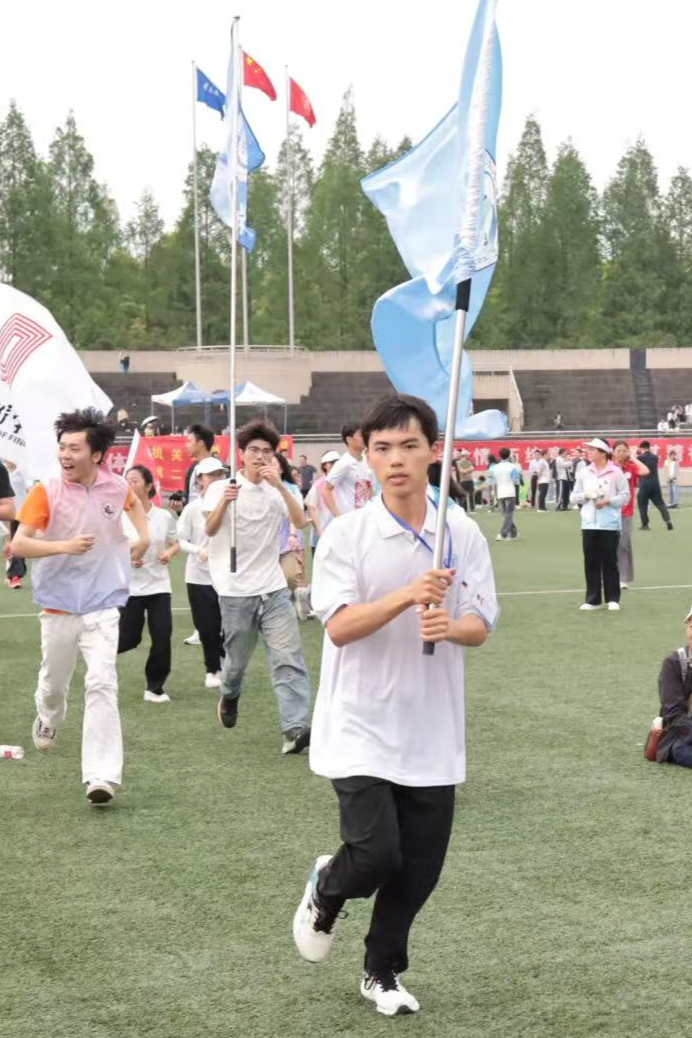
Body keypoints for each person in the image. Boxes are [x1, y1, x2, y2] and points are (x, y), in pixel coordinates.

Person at [292, 394, 498, 1017]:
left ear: (435, 451)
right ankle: (329, 886)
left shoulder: (460, 532)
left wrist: (450, 628)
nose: (396, 459)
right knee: (377, 854)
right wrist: (409, 596)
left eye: (410, 446)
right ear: (368, 455)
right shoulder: (347, 535)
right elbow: (340, 626)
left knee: (420, 868)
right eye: (382, 448)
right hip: (359, 720)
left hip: (431, 723)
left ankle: (381, 970)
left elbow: (481, 622)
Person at [11, 408, 149, 806]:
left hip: (103, 604)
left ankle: (101, 776)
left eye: (74, 448)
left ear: (97, 454)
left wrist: (142, 538)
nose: (65, 455)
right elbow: (19, 544)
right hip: (58, 606)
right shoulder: (47, 490)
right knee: (54, 686)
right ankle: (49, 717)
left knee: (102, 683)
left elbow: (134, 506)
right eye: (62, 447)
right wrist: (64, 547)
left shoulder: (116, 486)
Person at [203, 419, 312, 754]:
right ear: (241, 454)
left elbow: (300, 521)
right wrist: (225, 502)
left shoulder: (277, 489)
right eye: (254, 450)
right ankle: (230, 693)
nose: (260, 457)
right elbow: (209, 529)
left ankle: (294, 728)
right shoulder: (221, 488)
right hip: (235, 591)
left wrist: (281, 487)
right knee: (236, 663)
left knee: (288, 657)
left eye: (267, 451)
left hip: (273, 589)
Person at [118, 465, 180, 703]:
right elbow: (110, 550)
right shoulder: (120, 517)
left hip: (159, 587)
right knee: (128, 639)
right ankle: (96, 655)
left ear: (148, 486)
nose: (129, 485)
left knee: (162, 635)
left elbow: (175, 543)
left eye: (134, 480)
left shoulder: (163, 516)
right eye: (126, 480)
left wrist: (168, 554)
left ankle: (155, 687)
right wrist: (129, 559)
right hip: (130, 589)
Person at [177, 457, 227, 689]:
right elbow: (179, 540)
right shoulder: (192, 509)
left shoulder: (230, 504)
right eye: (211, 475)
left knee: (228, 624)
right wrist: (198, 550)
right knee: (207, 626)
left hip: (226, 575)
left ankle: (224, 659)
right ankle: (212, 669)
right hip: (199, 576)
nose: (217, 479)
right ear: (199, 479)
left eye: (220, 474)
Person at [570, 438, 629, 612]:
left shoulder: (616, 472)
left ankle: (613, 598)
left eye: (593, 449)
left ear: (603, 452)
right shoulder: (584, 472)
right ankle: (593, 600)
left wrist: (608, 501)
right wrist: (586, 495)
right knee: (591, 562)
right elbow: (574, 496)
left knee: (610, 562)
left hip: (609, 524)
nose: (589, 452)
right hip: (589, 524)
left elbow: (625, 496)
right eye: (588, 449)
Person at [653, 607, 692, 765]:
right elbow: (674, 714)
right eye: (691, 626)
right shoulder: (675, 662)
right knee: (681, 749)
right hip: (684, 733)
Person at [612, 441, 649, 590]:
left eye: (624, 451)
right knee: (608, 546)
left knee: (624, 545)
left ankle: (623, 578)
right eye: (619, 450)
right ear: (613, 452)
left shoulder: (631, 468)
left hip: (626, 512)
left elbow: (645, 471)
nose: (622, 453)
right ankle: (608, 577)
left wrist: (633, 458)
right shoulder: (610, 468)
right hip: (609, 512)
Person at [323, 423, 374, 519]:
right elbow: (326, 489)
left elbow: (369, 487)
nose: (364, 438)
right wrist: (338, 516)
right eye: (360, 435)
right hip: (349, 518)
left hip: (365, 517)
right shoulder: (344, 462)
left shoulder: (366, 460)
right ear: (349, 439)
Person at [273, 452, 307, 593]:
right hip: (267, 543)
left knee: (291, 576)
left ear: (281, 469)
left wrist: (293, 535)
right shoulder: (260, 488)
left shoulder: (291, 489)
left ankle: (296, 597)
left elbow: (295, 514)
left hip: (288, 540)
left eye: (273, 464)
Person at [636, 441, 673, 532]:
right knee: (660, 504)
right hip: (655, 484)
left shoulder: (640, 458)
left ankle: (645, 525)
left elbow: (636, 465)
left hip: (644, 484)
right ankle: (668, 520)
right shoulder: (655, 457)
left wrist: (637, 455)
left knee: (643, 506)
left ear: (641, 448)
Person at [489, 447, 520, 541]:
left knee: (505, 515)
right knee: (508, 515)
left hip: (500, 493)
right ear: (509, 455)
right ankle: (504, 534)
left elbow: (492, 480)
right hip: (510, 492)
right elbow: (515, 480)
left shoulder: (495, 467)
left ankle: (512, 533)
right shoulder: (512, 466)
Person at [1, 458, 23, 588]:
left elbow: (8, 510)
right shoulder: (3, 469)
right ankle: (14, 575)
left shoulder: (22, 471)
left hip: (23, 514)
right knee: (14, 545)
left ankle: (14, 575)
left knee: (19, 546)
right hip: (12, 515)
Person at [184, 424, 215, 504]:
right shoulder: (192, 469)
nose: (186, 445)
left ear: (200, 443)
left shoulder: (218, 470)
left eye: (189, 441)